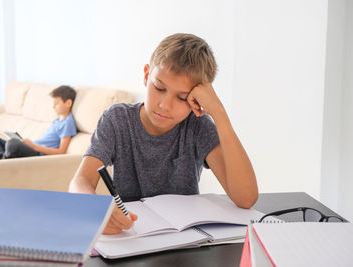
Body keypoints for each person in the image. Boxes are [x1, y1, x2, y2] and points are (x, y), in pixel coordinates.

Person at [69, 33, 258, 234]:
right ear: (146, 75)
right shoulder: (117, 120)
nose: (165, 105)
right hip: (132, 236)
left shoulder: (198, 126)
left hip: (185, 241)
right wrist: (96, 211)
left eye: (182, 98)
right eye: (159, 87)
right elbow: (81, 181)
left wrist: (219, 113)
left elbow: (246, 198)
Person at [0, 85, 77, 159]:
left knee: (13, 143)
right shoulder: (57, 120)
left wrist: (33, 146)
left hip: (37, 153)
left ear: (68, 103)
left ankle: (7, 155)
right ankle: (0, 155)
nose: (53, 107)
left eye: (56, 103)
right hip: (31, 147)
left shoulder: (67, 123)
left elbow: (61, 151)